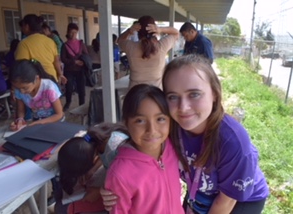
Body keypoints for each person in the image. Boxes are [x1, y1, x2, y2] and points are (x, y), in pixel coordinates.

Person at [101, 54, 269, 214]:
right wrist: (114, 186)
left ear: (215, 94)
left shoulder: (233, 141)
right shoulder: (170, 124)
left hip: (239, 200)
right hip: (200, 191)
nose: (183, 107)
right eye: (173, 97)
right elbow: (135, 145)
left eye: (194, 94)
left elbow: (225, 203)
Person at [104, 84, 184, 213]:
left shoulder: (172, 146)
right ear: (126, 123)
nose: (151, 130)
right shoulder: (120, 173)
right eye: (140, 121)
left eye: (160, 119)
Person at [56, 122, 129, 214]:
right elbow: (105, 154)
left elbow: (129, 183)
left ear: (93, 158)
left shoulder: (117, 148)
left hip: (129, 191)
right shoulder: (93, 138)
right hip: (114, 176)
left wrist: (99, 191)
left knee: (63, 209)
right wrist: (92, 170)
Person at [117, 15, 178, 89]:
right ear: (154, 30)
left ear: (138, 31)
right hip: (156, 93)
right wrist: (160, 29)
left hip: (134, 94)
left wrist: (129, 31)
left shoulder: (130, 47)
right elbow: (176, 33)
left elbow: (120, 40)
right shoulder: (162, 46)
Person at [9, 59, 64, 131]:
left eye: (25, 88)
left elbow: (59, 114)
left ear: (36, 78)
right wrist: (20, 120)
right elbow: (21, 110)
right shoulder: (19, 90)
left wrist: (38, 123)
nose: (21, 92)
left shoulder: (49, 88)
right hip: (37, 121)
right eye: (18, 88)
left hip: (55, 123)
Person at [15, 14, 66, 85]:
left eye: (22, 26)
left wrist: (33, 60)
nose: (22, 29)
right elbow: (56, 61)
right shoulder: (50, 41)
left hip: (36, 81)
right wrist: (60, 74)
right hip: (52, 78)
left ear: (27, 26)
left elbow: (22, 64)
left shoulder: (24, 43)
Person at [60, 23, 89, 111]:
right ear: (68, 32)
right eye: (71, 32)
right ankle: (68, 102)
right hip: (69, 70)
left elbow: (86, 55)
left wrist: (83, 62)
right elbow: (63, 59)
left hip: (80, 70)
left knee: (81, 89)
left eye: (75, 33)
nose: (73, 35)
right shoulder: (65, 45)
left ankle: (82, 105)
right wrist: (74, 61)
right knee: (69, 88)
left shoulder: (80, 44)